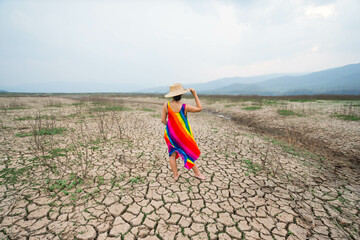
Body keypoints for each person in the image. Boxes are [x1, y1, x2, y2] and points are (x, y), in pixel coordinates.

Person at [161, 83, 205, 181]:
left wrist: (172, 128)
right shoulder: (184, 107)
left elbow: (163, 120)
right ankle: (197, 174)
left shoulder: (166, 105)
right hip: (182, 136)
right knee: (188, 153)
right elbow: (200, 108)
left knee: (172, 154)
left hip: (170, 135)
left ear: (172, 95)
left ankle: (176, 175)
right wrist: (194, 94)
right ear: (181, 95)